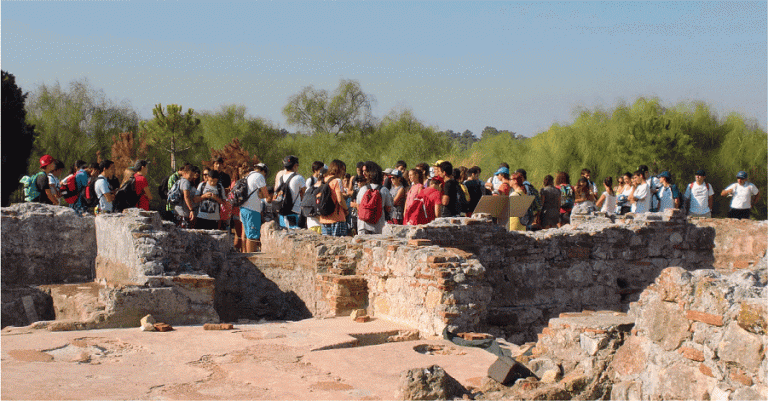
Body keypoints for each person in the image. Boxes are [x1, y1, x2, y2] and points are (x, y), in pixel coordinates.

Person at [355, 162, 392, 235]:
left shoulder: (363, 189)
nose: (363, 173)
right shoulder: (384, 190)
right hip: (378, 226)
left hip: (363, 225)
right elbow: (388, 208)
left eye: (365, 171)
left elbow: (358, 206)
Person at [240, 162, 270, 252]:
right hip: (252, 210)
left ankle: (246, 257)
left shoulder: (248, 175)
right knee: (252, 237)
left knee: (247, 234)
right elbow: (266, 194)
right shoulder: (259, 176)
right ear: (263, 171)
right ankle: (251, 259)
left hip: (243, 208)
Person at [274, 155, 306, 229]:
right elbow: (305, 193)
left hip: (282, 211)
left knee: (284, 235)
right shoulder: (299, 178)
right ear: (294, 166)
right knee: (294, 236)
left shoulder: (281, 178)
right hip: (295, 211)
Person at [319, 160, 349, 236]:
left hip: (324, 219)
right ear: (339, 169)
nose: (344, 173)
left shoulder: (324, 180)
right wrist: (346, 210)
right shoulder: (337, 180)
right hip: (337, 218)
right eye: (343, 170)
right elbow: (340, 200)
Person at [305, 161, 327, 234]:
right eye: (321, 169)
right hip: (313, 213)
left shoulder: (322, 180)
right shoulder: (310, 181)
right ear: (315, 170)